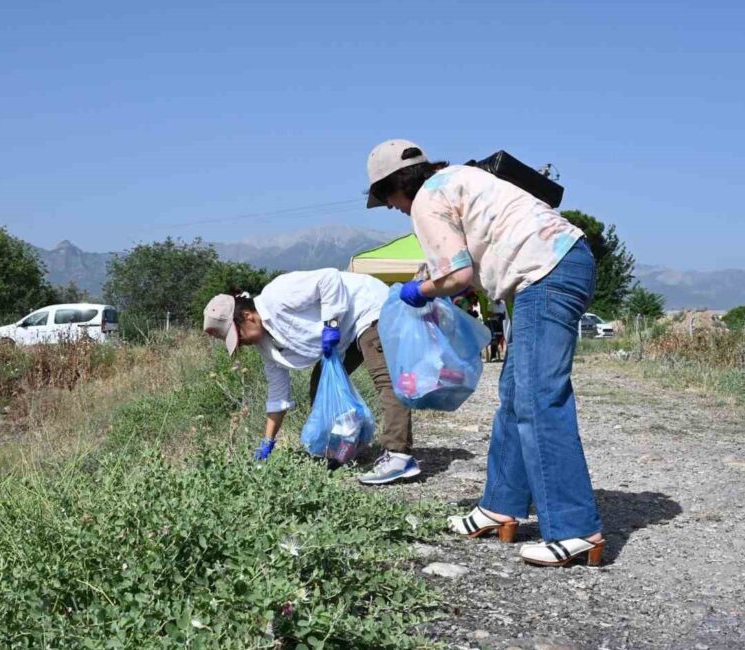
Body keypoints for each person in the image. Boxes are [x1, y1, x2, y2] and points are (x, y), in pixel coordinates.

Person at [365, 139, 604, 567]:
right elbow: (471, 268)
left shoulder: (425, 199)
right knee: (515, 397)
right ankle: (500, 507)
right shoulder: (459, 177)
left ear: (394, 187)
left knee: (538, 397)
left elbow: (458, 276)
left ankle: (574, 528)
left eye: (388, 201)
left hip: (544, 272)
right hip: (556, 265)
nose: (395, 210)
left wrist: (417, 292)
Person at [202, 268, 420, 485]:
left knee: (385, 379)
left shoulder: (277, 295)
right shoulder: (267, 348)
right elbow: (278, 395)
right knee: (320, 389)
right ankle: (347, 448)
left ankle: (398, 455)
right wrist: (267, 441)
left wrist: (331, 323)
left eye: (238, 336)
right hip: (342, 337)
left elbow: (329, 278)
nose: (241, 344)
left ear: (247, 317)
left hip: (366, 309)